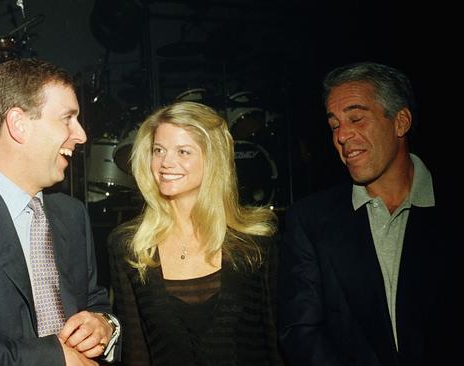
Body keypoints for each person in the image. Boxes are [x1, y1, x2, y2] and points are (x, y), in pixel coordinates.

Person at [0, 58, 121, 366]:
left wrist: (104, 325)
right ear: (18, 124)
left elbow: (96, 301)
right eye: (67, 119)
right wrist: (55, 358)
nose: (82, 135)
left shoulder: (72, 215)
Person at [277, 62, 459, 365]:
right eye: (334, 125)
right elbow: (300, 332)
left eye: (356, 119)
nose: (343, 136)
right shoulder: (310, 220)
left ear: (400, 122)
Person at [108, 101, 282, 365]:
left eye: (183, 151)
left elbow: (276, 343)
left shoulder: (256, 242)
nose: (166, 162)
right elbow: (135, 351)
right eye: (159, 150)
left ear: (213, 159)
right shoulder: (131, 247)